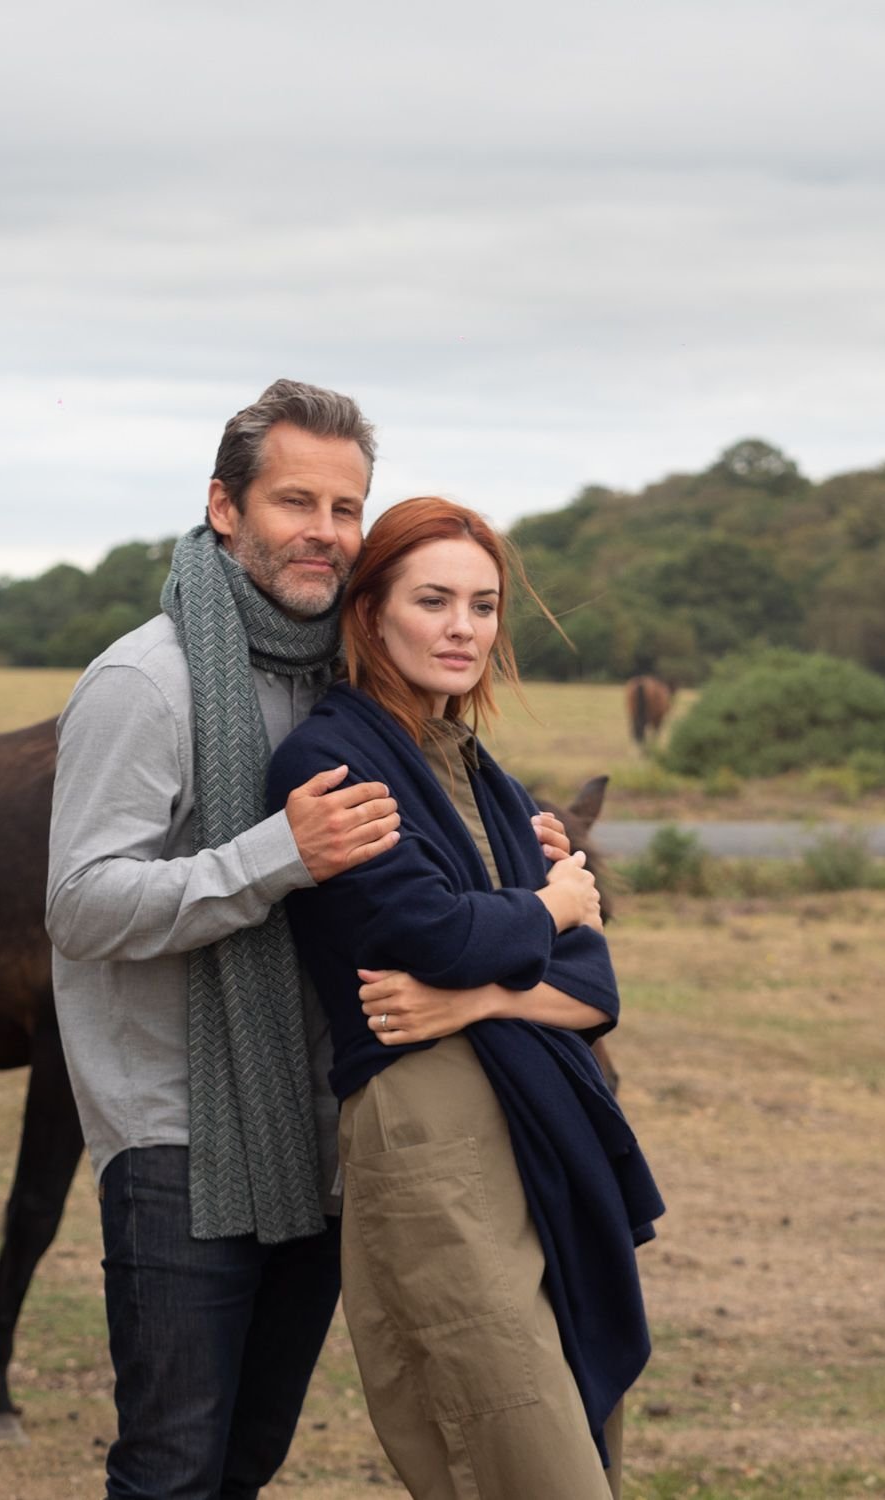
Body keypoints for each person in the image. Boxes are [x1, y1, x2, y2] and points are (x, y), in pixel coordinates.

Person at [46, 383, 573, 1500]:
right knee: (172, 1465)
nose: (324, 531)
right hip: (178, 1133)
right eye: (296, 500)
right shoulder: (149, 682)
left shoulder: (346, 684)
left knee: (246, 1461)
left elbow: (403, 877)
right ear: (225, 507)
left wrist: (510, 848)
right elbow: (82, 907)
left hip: (320, 1128)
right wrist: (275, 854)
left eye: (347, 507)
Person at [267, 496, 664, 1500]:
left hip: (530, 1118)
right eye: (433, 599)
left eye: (483, 606)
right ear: (371, 615)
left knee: (561, 1429)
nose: (462, 628)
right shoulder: (330, 760)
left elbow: (592, 985)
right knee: (514, 1452)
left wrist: (474, 1002)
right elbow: (426, 934)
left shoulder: (494, 784)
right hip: (430, 1133)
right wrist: (553, 907)